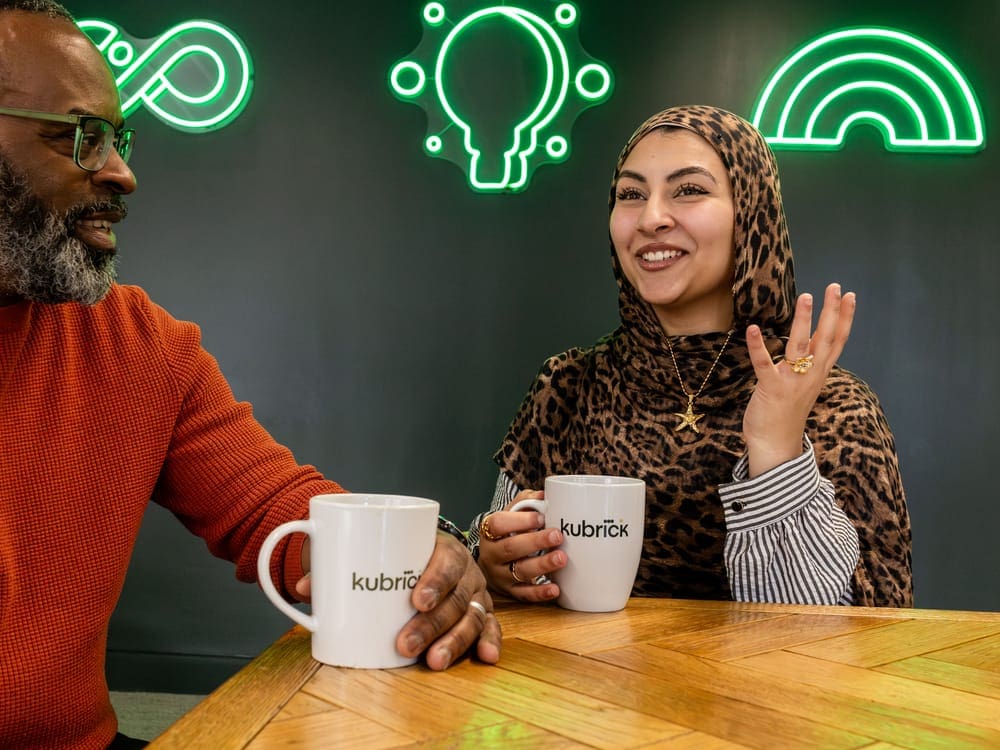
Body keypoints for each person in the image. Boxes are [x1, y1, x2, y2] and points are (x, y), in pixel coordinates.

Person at [0, 2, 500, 748]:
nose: (122, 173)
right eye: (80, 136)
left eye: (119, 138)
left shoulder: (141, 344)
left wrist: (429, 565)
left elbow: (279, 511)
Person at [469, 105, 912, 609]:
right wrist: (496, 561)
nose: (652, 218)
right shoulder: (567, 385)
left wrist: (776, 447)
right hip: (589, 686)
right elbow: (502, 575)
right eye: (631, 195)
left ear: (751, 213)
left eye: (689, 190)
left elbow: (855, 633)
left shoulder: (834, 404)